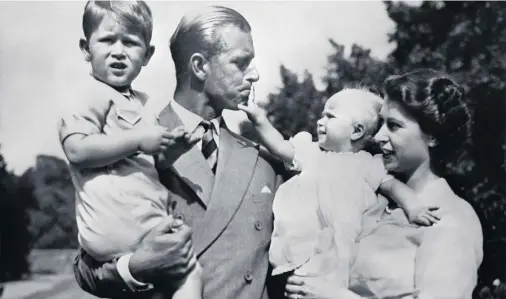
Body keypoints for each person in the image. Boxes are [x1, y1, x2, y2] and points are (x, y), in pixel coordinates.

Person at [72, 5, 285, 299]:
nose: (255, 75)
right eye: (240, 62)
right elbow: (85, 268)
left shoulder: (264, 162)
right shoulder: (129, 144)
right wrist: (136, 267)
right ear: (199, 66)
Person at [284, 69, 484, 299]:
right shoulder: (370, 197)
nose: (378, 136)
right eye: (381, 124)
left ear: (433, 136)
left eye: (394, 126)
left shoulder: (451, 219)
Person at [58, 1, 203, 298]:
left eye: (131, 43)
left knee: (188, 274)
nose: (119, 51)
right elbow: (77, 150)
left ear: (147, 55)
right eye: (108, 40)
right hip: (116, 226)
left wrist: (171, 151)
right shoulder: (88, 94)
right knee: (189, 273)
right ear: (86, 49)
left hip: (146, 224)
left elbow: (153, 165)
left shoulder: (142, 104)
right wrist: (137, 140)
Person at [239, 87, 439, 290]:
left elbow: (394, 187)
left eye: (330, 116)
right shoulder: (312, 152)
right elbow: (280, 146)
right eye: (322, 115)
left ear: (356, 131)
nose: (320, 121)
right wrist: (259, 119)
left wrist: (414, 208)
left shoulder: (368, 164)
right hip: (303, 246)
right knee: (299, 287)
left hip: (344, 250)